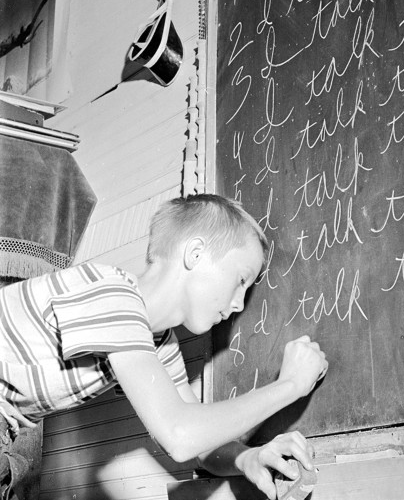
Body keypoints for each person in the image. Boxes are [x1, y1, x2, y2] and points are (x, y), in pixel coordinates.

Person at [0, 194, 328, 500]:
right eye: (241, 280)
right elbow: (181, 434)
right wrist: (290, 386)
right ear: (195, 254)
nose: (240, 304)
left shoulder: (158, 342)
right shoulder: (114, 297)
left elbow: (200, 446)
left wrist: (247, 457)